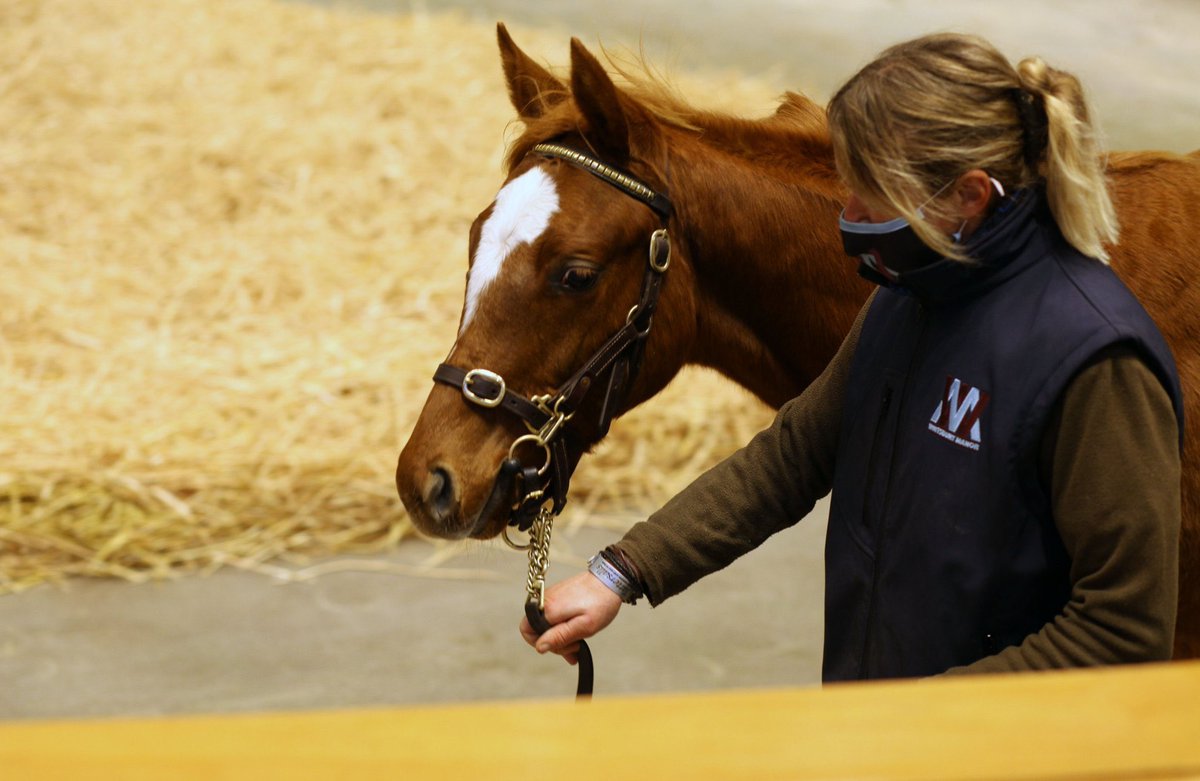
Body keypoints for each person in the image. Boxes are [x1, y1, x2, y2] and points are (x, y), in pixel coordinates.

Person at [519, 32, 1184, 679]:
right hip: (884, 729)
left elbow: (1123, 627)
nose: (851, 210)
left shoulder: (1093, 359)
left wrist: (926, 722)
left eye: (873, 191)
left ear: (969, 197)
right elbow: (793, 455)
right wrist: (620, 571)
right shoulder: (909, 296)